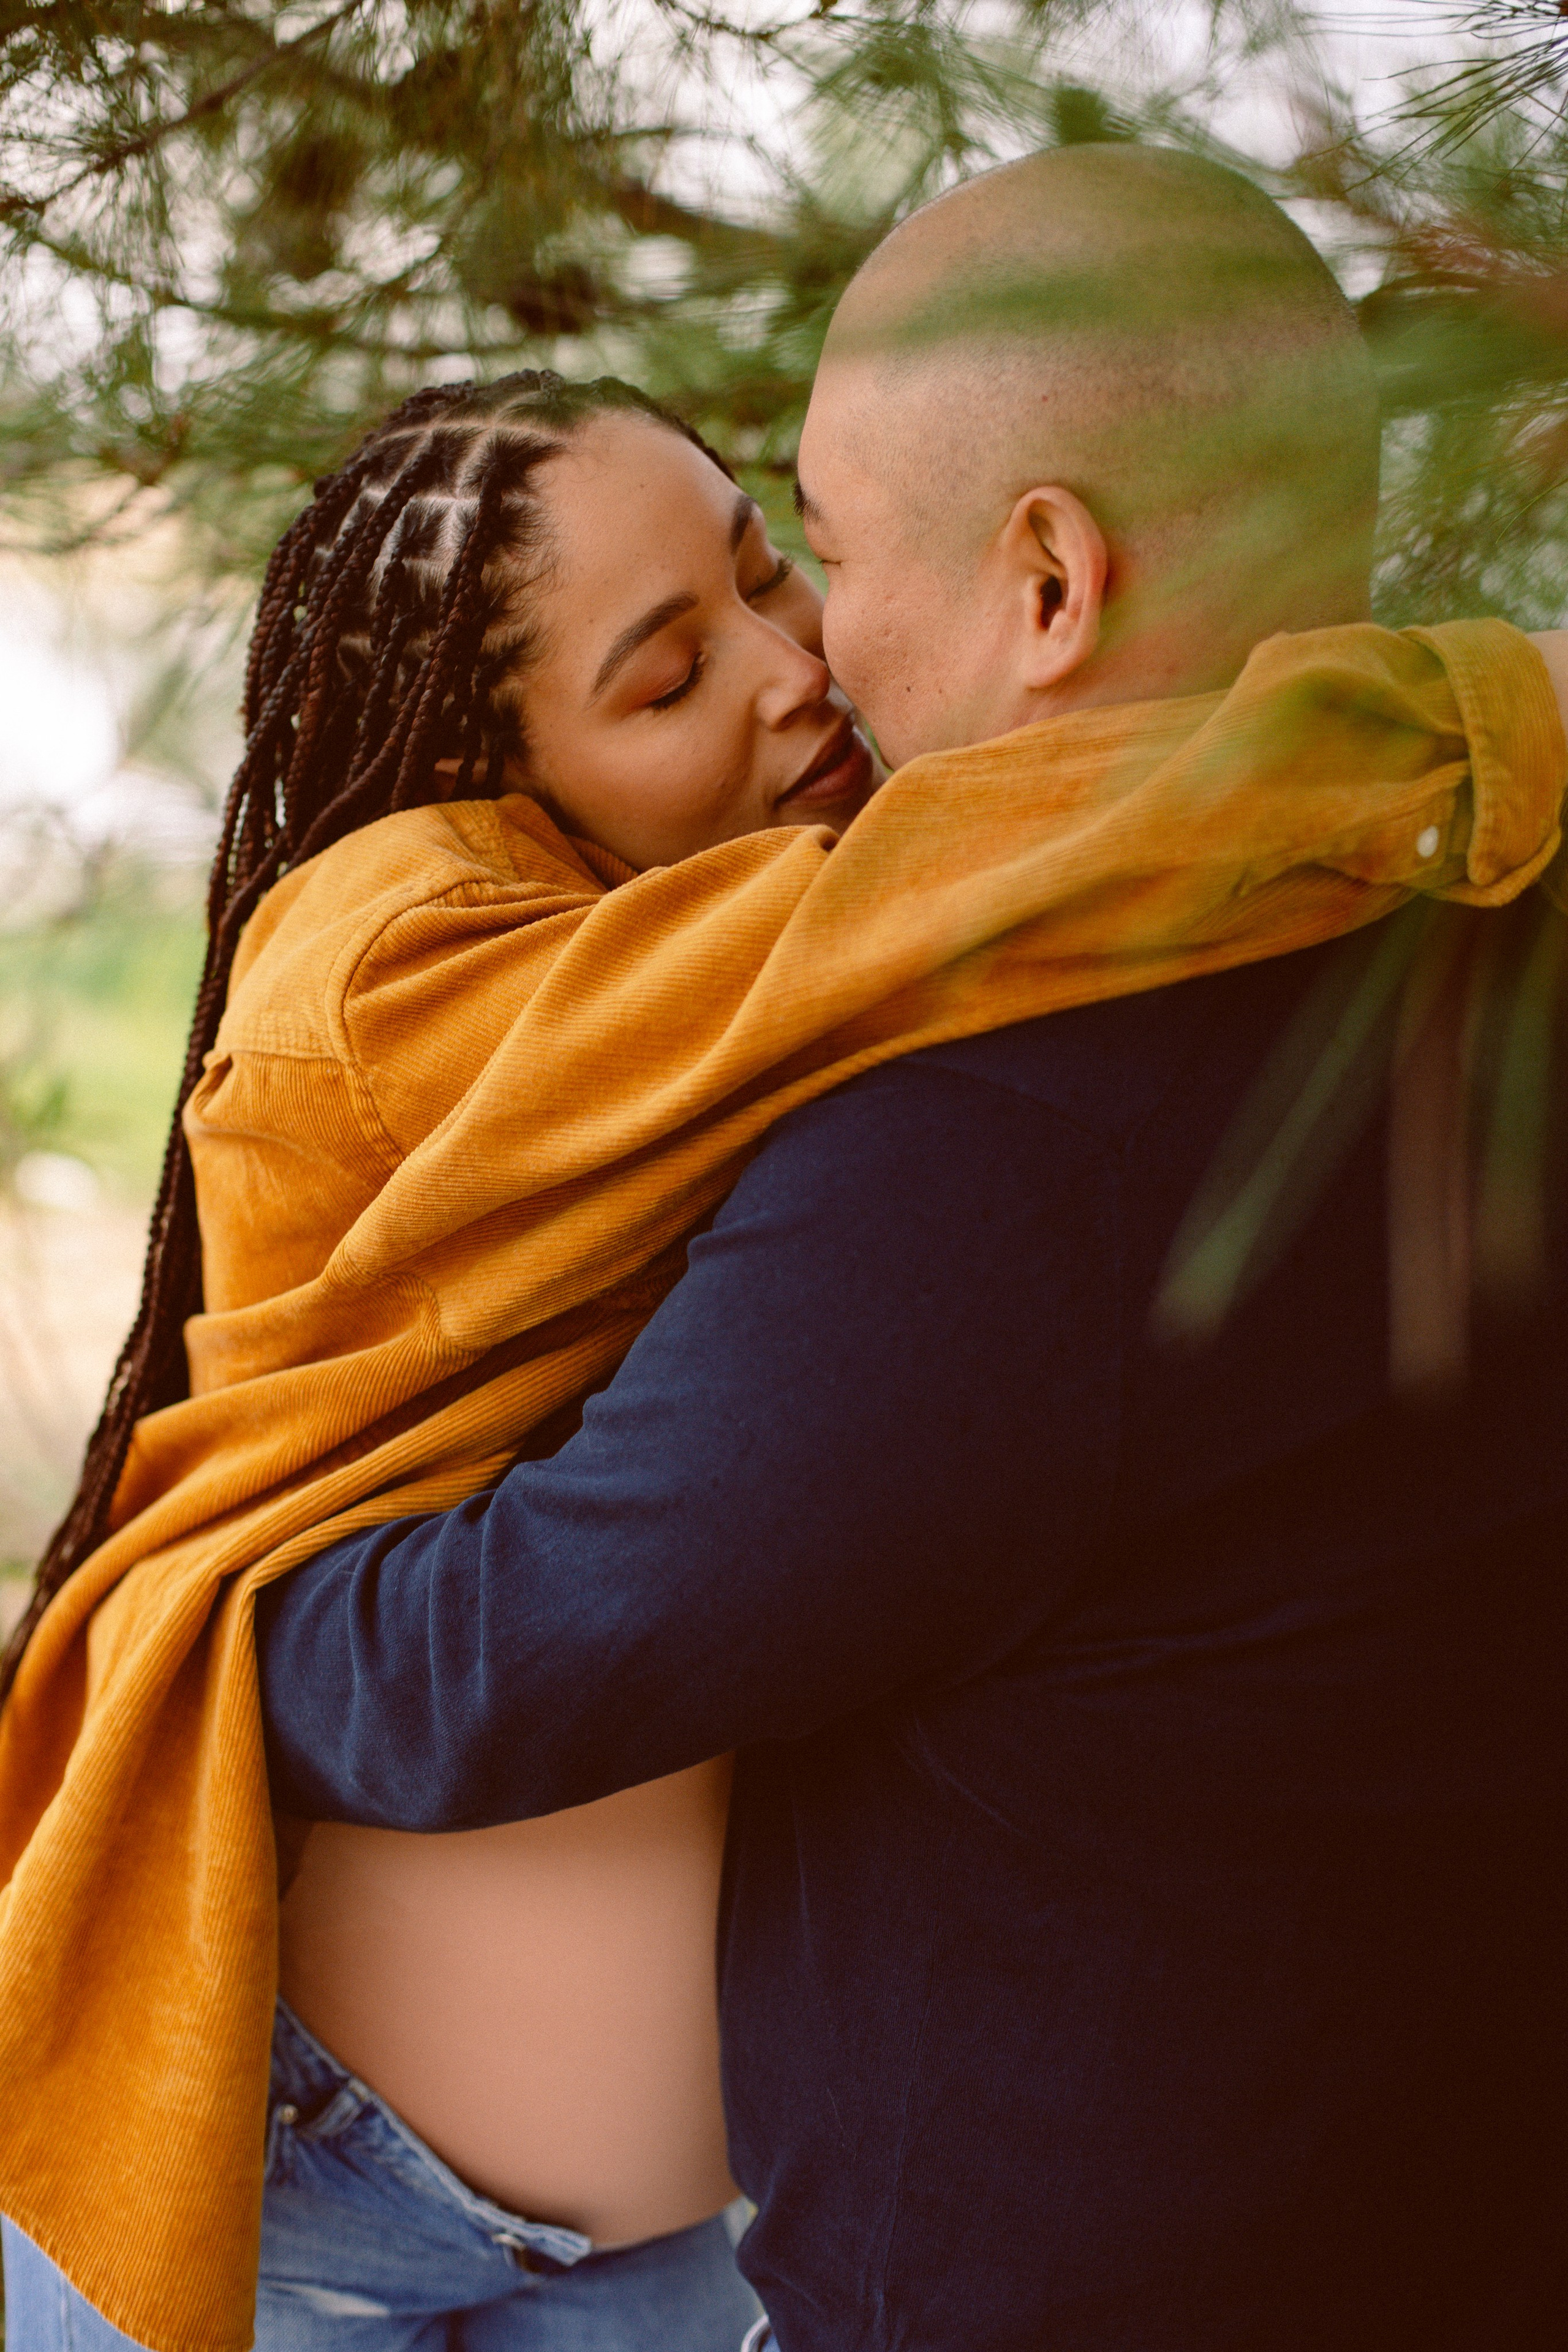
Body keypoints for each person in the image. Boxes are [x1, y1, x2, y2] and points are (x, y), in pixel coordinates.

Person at [0, 146, 1561, 2352]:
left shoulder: (1010, 1125)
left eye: (799, 557)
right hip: (365, 2192)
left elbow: (501, 1657)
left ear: (1048, 587)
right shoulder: (1465, 923)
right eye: (680, 656)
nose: (806, 650)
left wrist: (201, 1626)